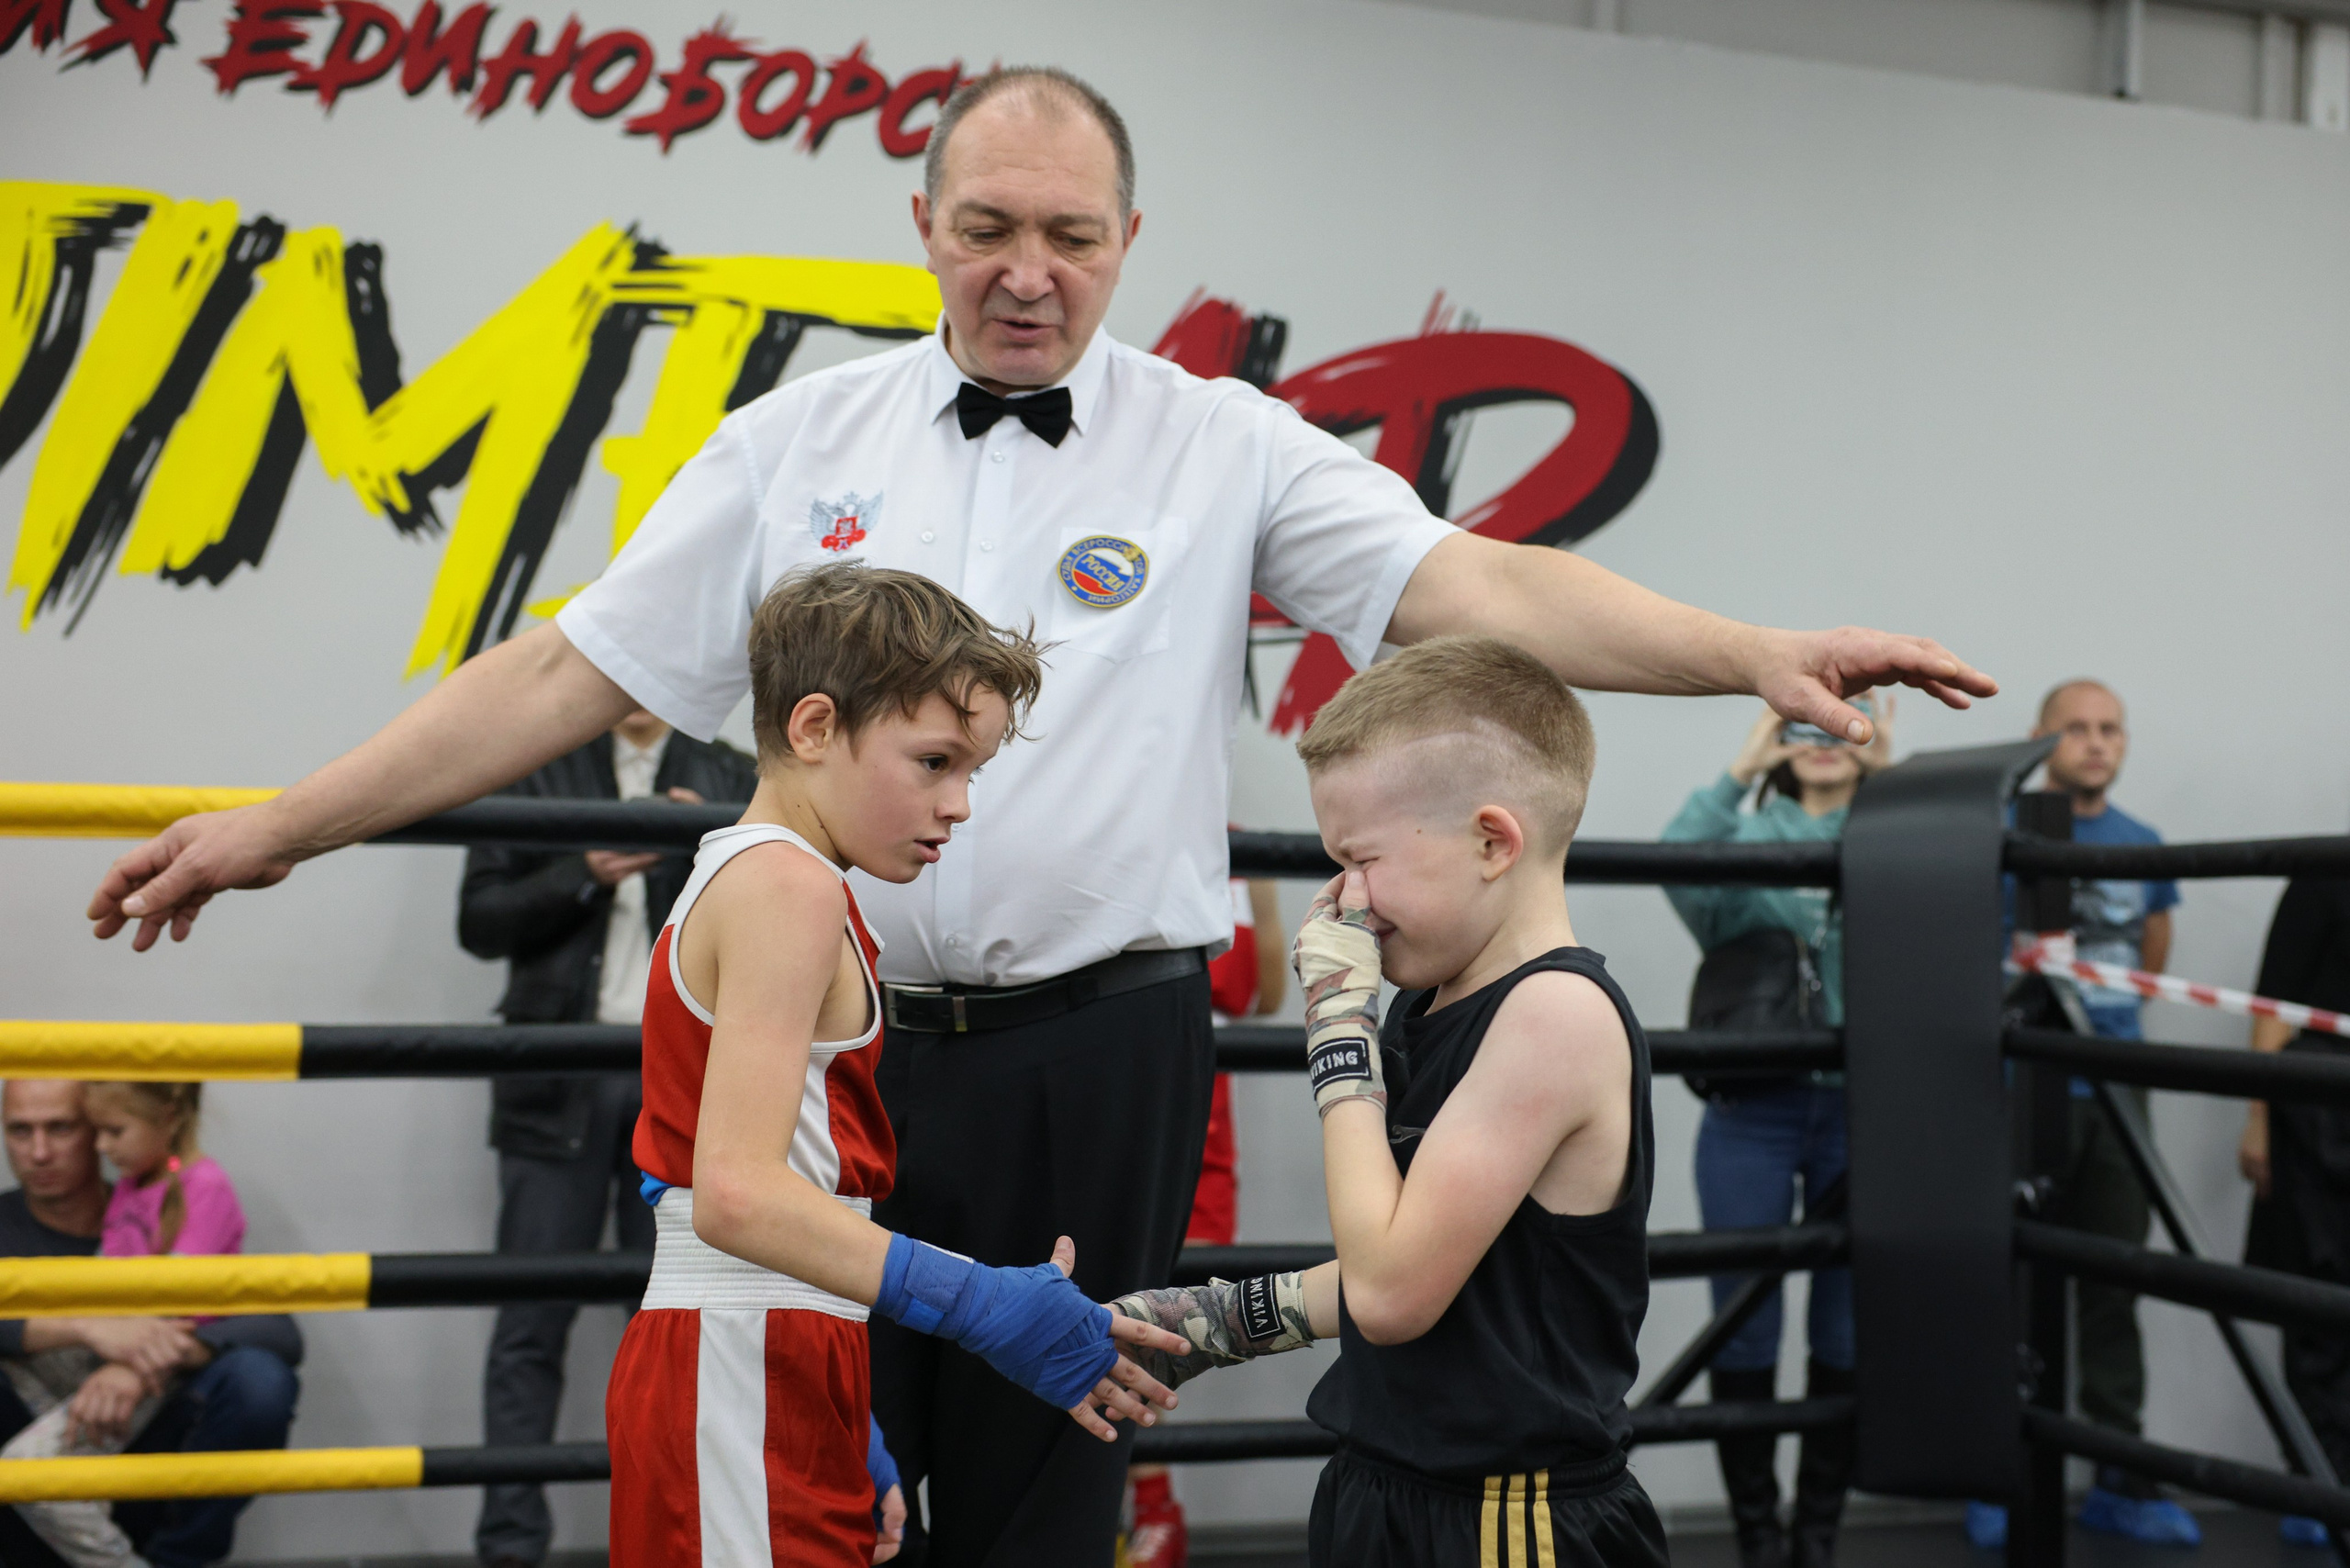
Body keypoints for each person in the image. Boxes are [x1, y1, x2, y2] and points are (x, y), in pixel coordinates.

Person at [84, 64, 1995, 1566]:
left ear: (1126, 238)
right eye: (986, 225)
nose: (1025, 268)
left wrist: (1748, 646)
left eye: (1067, 234)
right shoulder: (792, 444)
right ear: (919, 222)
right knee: (828, 1467)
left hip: (1101, 1043)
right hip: (830, 1052)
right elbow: (562, 671)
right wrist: (285, 822)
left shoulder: (1219, 438)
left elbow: (1479, 588)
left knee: (1048, 1474)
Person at [605, 562, 1187, 1568]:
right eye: (933, 762)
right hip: (743, 1354)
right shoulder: (785, 886)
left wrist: (852, 1408)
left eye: (972, 771)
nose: (958, 804)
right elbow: (731, 1195)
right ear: (814, 726)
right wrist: (977, 1300)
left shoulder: (779, 878)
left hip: (786, 1344)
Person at [1117, 637, 1669, 1568]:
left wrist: (1337, 1028)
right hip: (1391, 1479)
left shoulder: (1554, 1013)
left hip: (1507, 1516)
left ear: (1493, 840)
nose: (1346, 898)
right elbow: (1406, 1255)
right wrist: (1199, 1323)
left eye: (1361, 859)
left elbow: (1390, 1292)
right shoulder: (1431, 998)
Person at [456, 708, 757, 1568]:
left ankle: (668, 1544)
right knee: (530, 1322)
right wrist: (581, 872)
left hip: (688, 1088)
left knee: (676, 1331)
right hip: (558, 1083)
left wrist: (700, 850)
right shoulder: (533, 760)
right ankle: (508, 1550)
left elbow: (770, 921)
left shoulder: (733, 775)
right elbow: (479, 921)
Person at [1660, 699, 1892, 1568]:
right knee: (1744, 1325)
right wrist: (1742, 766)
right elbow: (1674, 859)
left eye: (1848, 725)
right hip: (1752, 1110)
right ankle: (1759, 1537)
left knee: (1842, 1331)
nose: (1826, 742)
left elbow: (1954, 890)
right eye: (1808, 724)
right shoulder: (1748, 843)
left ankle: (1817, 1539)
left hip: (1864, 1111)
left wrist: (1890, 779)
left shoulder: (1893, 830)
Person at [1970, 678, 2191, 1551]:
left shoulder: (2146, 847)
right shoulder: (1999, 836)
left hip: (2115, 1086)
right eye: (2078, 729)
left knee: (2115, 1281)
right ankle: (1997, 1476)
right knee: (2007, 1282)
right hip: (2017, 1081)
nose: (2097, 744)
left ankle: (2123, 1486)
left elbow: (2151, 961)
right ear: (2039, 738)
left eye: (2111, 730)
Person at [0, 1080, 301, 1568]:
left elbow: (277, 1329)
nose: (39, 1152)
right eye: (19, 1131)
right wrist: (84, 1328)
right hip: (30, 1485)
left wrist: (141, 1363)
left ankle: (175, 1561)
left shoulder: (168, 1198)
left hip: (148, 1454)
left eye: (61, 1128)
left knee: (259, 1379)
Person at [1125, 872, 1287, 1568]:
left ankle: (1156, 1512)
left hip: (1202, 1132)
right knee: (1097, 1315)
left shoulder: (1240, 855)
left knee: (1156, 1329)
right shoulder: (1113, 830)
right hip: (1120, 1112)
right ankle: (1142, 1509)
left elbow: (1263, 995)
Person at [2239, 873, 2350, 1549]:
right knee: (2320, 1289)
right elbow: (2273, 1000)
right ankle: (2318, 1481)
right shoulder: (2323, 874)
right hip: (2318, 1106)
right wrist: (2257, 1117)